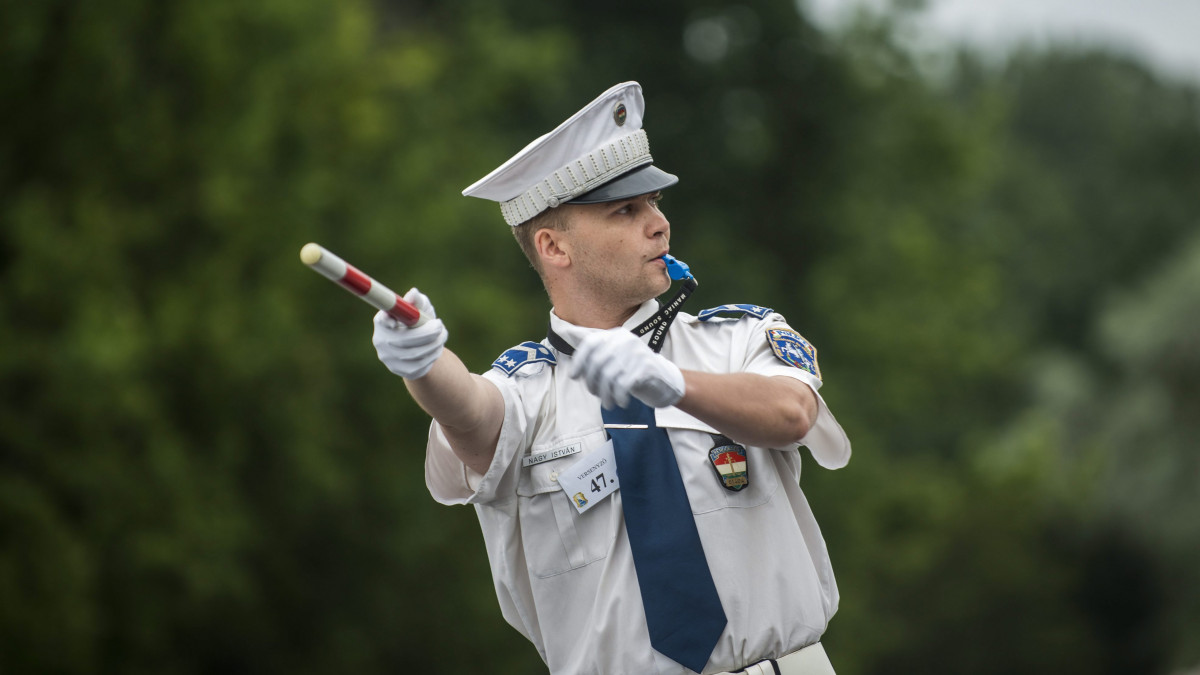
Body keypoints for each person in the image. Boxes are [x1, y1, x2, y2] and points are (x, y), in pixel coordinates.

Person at [372, 82, 851, 675]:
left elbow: (790, 414)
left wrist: (670, 382)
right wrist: (421, 360)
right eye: (627, 210)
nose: (660, 225)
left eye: (654, 203)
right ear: (554, 246)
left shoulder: (736, 338)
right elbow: (470, 410)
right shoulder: (529, 390)